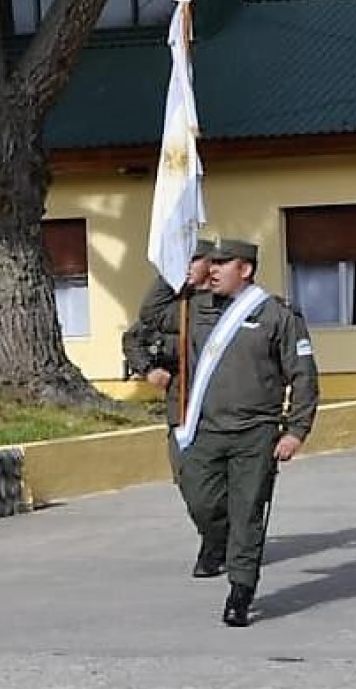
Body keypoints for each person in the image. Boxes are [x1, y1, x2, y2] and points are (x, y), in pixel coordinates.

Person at [176, 239, 319, 627]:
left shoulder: (276, 315)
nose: (214, 269)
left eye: (224, 263)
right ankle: (220, 543)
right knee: (202, 503)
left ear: (246, 269)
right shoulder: (194, 309)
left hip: (255, 431)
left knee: (248, 511)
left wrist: (296, 430)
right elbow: (152, 324)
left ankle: (241, 588)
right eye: (212, 263)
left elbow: (303, 375)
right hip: (204, 429)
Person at [119, 238, 221, 577]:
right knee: (187, 476)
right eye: (183, 261)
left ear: (211, 262)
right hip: (182, 403)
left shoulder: (226, 304)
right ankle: (213, 535)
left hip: (223, 403)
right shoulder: (178, 306)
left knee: (225, 480)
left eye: (193, 260)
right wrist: (149, 368)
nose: (188, 266)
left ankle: (221, 544)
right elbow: (136, 333)